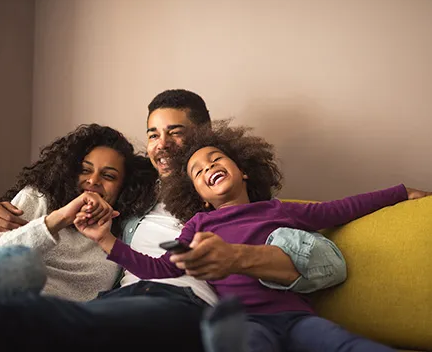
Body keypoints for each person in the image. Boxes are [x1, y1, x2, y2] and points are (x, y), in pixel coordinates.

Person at [0, 90, 349, 350]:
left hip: (182, 302)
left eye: (176, 133)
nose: (162, 143)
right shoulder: (132, 192)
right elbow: (74, 206)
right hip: (121, 298)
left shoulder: (231, 199)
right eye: (153, 134)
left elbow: (327, 264)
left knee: (67, 324)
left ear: (206, 137)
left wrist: (237, 257)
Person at [78, 119, 428, 352]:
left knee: (346, 345)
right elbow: (160, 268)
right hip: (244, 323)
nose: (209, 168)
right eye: (198, 172)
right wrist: (105, 240)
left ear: (243, 170)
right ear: (198, 195)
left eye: (215, 160)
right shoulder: (199, 225)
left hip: (298, 318)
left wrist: (399, 192)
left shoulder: (278, 210)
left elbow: (342, 208)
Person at [0, 123, 157, 301]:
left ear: (123, 186)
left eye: (108, 176)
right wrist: (60, 218)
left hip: (65, 321)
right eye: (85, 170)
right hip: (4, 304)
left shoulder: (119, 232)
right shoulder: (39, 198)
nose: (93, 180)